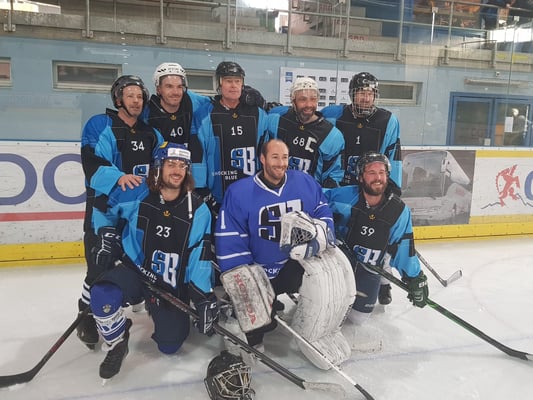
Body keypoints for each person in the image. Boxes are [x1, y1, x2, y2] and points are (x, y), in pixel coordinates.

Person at [215, 139, 356, 369]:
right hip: (259, 272)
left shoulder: (303, 182)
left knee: (327, 279)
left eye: (284, 157)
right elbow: (230, 240)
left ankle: (314, 327)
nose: (281, 163)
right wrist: (247, 284)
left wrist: (319, 237)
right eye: (275, 157)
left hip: (293, 264)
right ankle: (234, 313)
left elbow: (322, 210)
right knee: (257, 329)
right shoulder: (239, 192)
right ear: (262, 159)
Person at [89, 142, 217, 379]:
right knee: (102, 294)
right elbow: (101, 205)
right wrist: (106, 233)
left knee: (169, 345)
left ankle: (160, 312)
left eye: (182, 166)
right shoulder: (136, 192)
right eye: (171, 164)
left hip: (168, 283)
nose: (177, 171)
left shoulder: (199, 210)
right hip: (135, 270)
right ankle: (117, 341)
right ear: (158, 167)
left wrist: (203, 297)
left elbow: (200, 257)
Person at [78, 75, 164, 350]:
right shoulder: (100, 124)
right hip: (104, 210)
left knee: (136, 262)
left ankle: (129, 307)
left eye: (139, 96)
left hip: (137, 213)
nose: (136, 101)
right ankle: (86, 316)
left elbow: (161, 166)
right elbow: (91, 159)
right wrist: (118, 177)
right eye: (130, 96)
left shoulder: (151, 133)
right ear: (118, 99)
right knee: (99, 265)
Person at [324, 152, 428, 340]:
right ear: (360, 177)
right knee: (327, 308)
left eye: (382, 172)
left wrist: (414, 277)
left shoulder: (398, 210)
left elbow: (403, 247)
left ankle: (383, 274)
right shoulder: (342, 197)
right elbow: (314, 198)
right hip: (338, 266)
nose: (378, 177)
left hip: (368, 268)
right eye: (371, 172)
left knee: (358, 318)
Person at [321, 71, 402, 305]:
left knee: (378, 239)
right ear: (351, 94)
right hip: (344, 189)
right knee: (344, 239)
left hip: (373, 190)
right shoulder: (334, 115)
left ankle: (384, 281)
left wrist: (393, 187)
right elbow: (305, 115)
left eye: (370, 93)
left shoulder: (388, 121)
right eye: (360, 93)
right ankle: (344, 283)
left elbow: (394, 155)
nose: (366, 98)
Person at [189, 61, 270, 211]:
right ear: (219, 84)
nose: (233, 85)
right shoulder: (204, 115)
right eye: (228, 81)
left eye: (237, 81)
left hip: (252, 194)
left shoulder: (258, 114)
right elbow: (198, 155)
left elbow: (265, 151)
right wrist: (202, 191)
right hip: (218, 198)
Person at [266, 77, 344, 188]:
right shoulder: (276, 121)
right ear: (293, 101)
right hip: (275, 190)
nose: (308, 104)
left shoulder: (331, 135)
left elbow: (332, 176)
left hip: (309, 193)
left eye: (313, 99)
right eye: (303, 99)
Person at [142, 62, 211, 147]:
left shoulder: (193, 102)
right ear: (158, 89)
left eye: (179, 87)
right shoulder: (147, 112)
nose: (175, 92)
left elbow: (217, 104)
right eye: (169, 86)